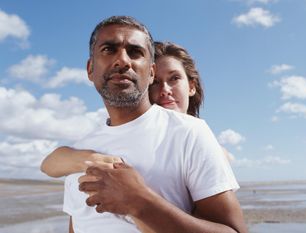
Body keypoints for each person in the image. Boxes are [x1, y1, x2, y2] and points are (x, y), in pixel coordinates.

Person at [44, 15, 247, 233]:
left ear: (150, 72)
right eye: (108, 49)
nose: (122, 60)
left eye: (135, 52)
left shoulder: (190, 132)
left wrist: (138, 201)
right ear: (90, 69)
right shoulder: (81, 148)